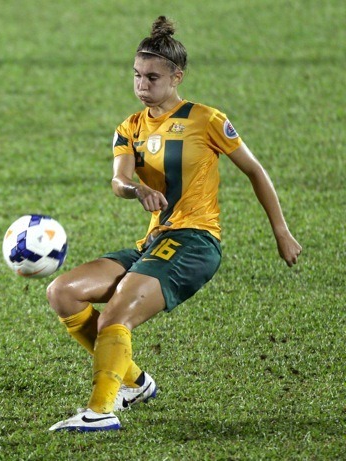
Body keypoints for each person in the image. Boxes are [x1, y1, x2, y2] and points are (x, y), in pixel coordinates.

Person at [46, 16, 302, 432]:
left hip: (196, 242)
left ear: (176, 76)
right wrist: (135, 191)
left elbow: (255, 171)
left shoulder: (207, 119)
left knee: (114, 315)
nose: (141, 85)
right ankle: (135, 382)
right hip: (154, 241)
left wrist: (281, 231)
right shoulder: (129, 127)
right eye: (136, 75)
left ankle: (100, 411)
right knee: (63, 292)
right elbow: (119, 181)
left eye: (152, 77)